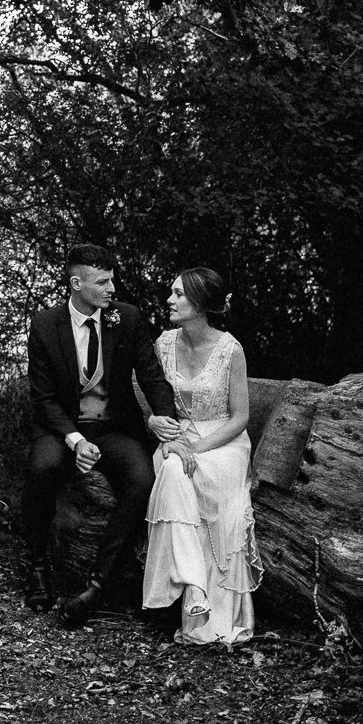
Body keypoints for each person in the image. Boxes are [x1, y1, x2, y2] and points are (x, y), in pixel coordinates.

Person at [21, 243, 182, 628]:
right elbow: (42, 399)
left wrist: (165, 421)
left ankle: (97, 584)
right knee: (43, 467)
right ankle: (37, 567)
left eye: (112, 280)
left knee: (143, 480)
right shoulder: (45, 324)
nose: (112, 289)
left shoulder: (126, 318)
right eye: (103, 281)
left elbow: (151, 375)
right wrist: (75, 441)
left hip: (113, 426)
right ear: (77, 284)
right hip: (61, 428)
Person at [140, 266, 262, 645]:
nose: (170, 300)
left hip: (222, 442)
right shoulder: (163, 344)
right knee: (174, 468)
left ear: (200, 303)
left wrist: (198, 447)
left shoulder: (230, 349)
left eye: (178, 294)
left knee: (183, 470)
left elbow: (240, 417)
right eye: (172, 293)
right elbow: (150, 404)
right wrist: (156, 427)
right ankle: (195, 588)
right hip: (178, 439)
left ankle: (205, 596)